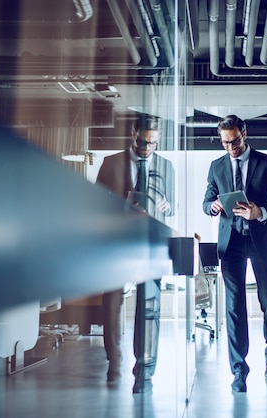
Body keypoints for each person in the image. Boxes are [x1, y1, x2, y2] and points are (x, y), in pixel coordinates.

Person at [202, 114, 267, 392]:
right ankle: (238, 370)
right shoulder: (216, 166)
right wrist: (213, 207)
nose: (231, 148)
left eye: (235, 141)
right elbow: (206, 200)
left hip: (261, 240)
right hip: (231, 244)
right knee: (233, 307)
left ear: (245, 133)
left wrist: (260, 212)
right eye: (226, 143)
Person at [96, 113, 175, 393]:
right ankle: (114, 360)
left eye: (152, 143)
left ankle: (145, 366)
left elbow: (171, 209)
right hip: (118, 245)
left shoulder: (167, 166)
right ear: (133, 134)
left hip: (149, 247)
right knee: (112, 304)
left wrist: (165, 205)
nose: (147, 148)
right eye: (143, 142)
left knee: (149, 307)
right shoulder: (111, 163)